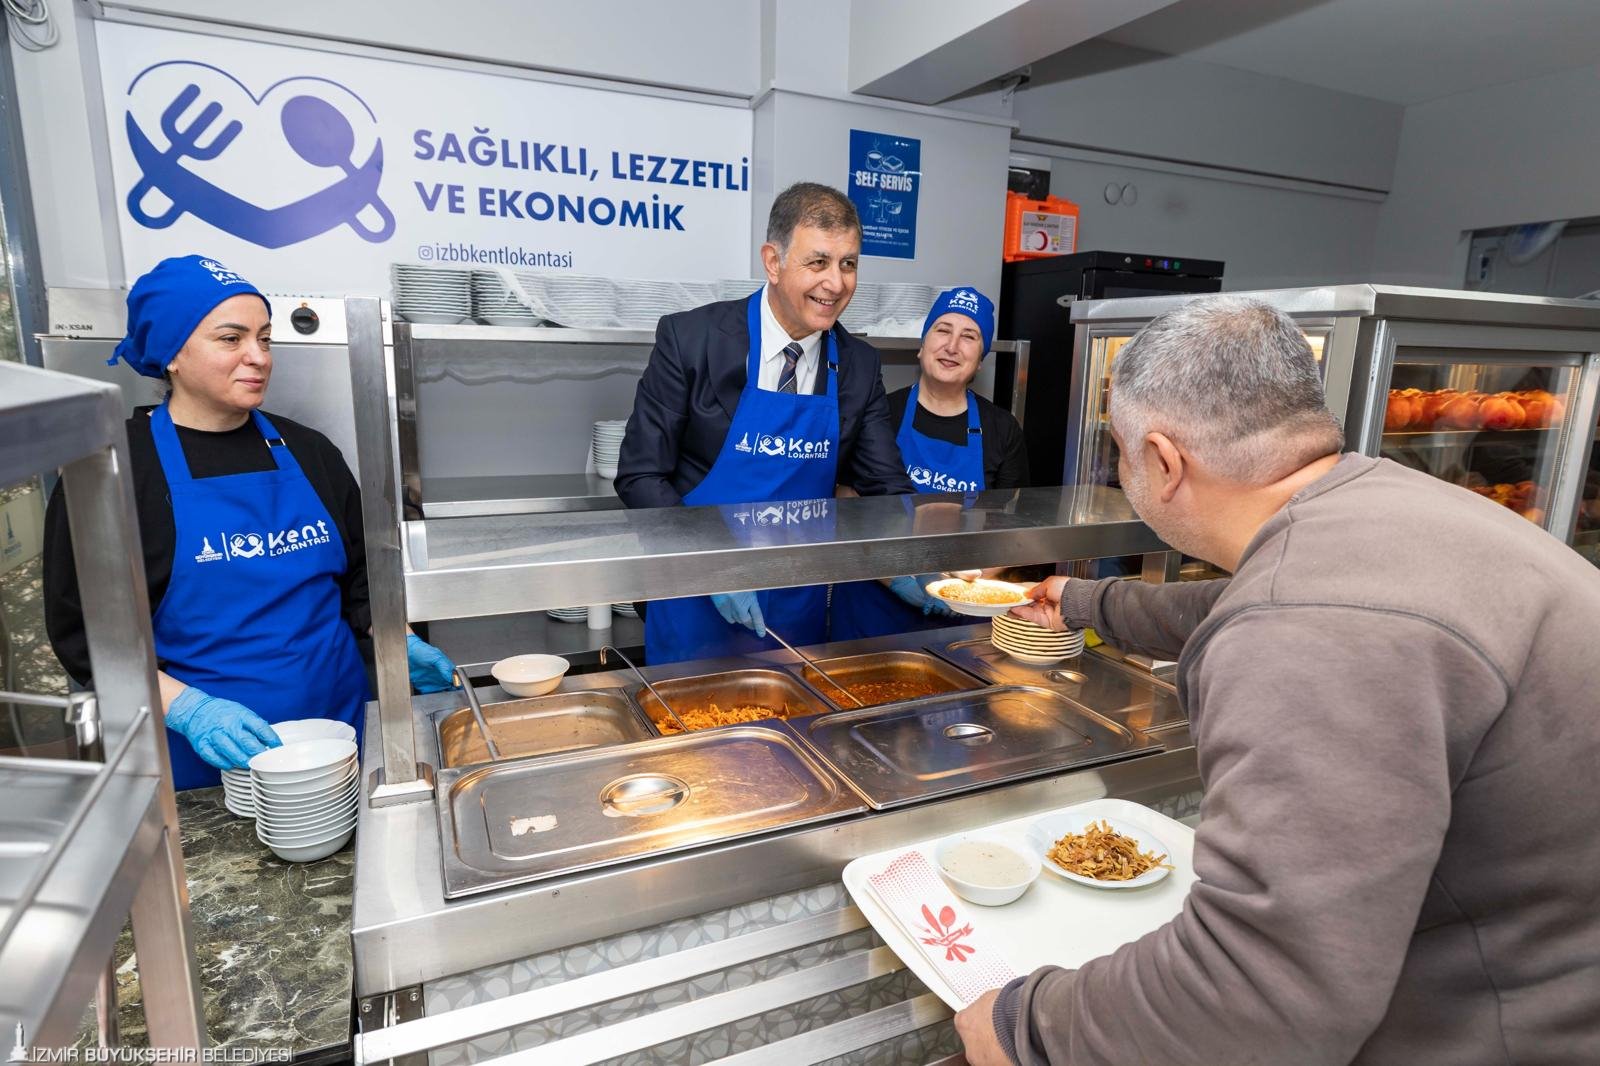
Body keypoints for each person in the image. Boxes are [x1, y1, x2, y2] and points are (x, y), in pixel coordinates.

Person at [953, 296, 1600, 1065]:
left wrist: (1024, 1027)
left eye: (1119, 453)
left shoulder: (1307, 632)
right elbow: (1253, 596)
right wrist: (1088, 602)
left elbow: (1258, 997)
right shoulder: (1384, 504)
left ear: (1162, 462)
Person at [44, 255, 458, 790]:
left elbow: (364, 583)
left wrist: (397, 641)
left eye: (265, 338)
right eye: (230, 339)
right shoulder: (113, 469)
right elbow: (87, 637)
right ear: (172, 353)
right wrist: (190, 710)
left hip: (344, 735)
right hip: (207, 762)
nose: (257, 356)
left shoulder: (310, 452)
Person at [615, 182, 913, 663]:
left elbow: (886, 487)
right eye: (818, 262)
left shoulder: (859, 365)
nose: (835, 283)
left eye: (848, 264)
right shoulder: (692, 339)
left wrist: (909, 560)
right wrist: (715, 566)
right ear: (773, 262)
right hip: (696, 593)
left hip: (798, 609)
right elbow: (639, 474)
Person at [831, 285, 1029, 639]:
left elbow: (1012, 530)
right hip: (872, 608)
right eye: (942, 330)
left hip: (961, 612)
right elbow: (846, 507)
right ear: (922, 345)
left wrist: (962, 587)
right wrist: (895, 577)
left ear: (980, 358)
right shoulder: (880, 414)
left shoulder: (1002, 429)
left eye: (969, 336)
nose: (952, 346)